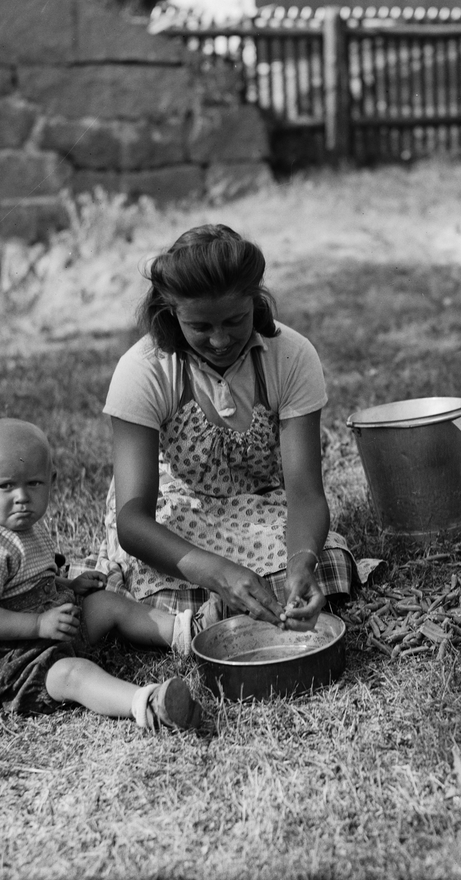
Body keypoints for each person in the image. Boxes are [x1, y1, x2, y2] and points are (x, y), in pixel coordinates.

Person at [95, 224, 356, 631]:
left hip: (259, 505)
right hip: (176, 512)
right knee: (153, 584)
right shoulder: (144, 369)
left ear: (256, 301)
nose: (219, 340)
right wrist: (218, 573)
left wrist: (300, 563)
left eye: (235, 320)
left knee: (326, 564)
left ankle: (237, 600)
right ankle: (207, 605)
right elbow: (133, 520)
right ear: (171, 313)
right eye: (200, 327)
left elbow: (304, 493)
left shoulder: (290, 357)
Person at [0, 418, 202, 732]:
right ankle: (148, 704)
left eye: (33, 483)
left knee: (108, 603)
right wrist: (38, 624)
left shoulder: (27, 531)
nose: (22, 496)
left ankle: (188, 632)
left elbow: (32, 582)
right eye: (6, 486)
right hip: (12, 655)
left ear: (51, 480)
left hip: (56, 626)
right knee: (73, 674)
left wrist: (69, 585)